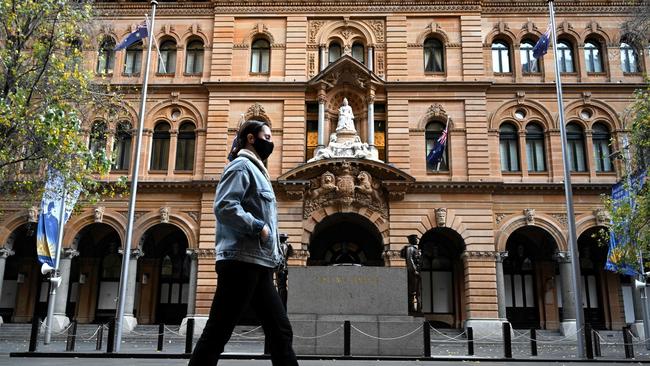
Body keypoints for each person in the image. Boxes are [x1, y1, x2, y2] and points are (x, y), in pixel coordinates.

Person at [189, 120, 298, 366]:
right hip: (241, 262)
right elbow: (225, 207)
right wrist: (258, 227)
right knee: (218, 332)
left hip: (258, 263)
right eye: (267, 137)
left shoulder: (258, 171)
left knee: (280, 331)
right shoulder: (241, 166)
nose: (271, 142)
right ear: (251, 138)